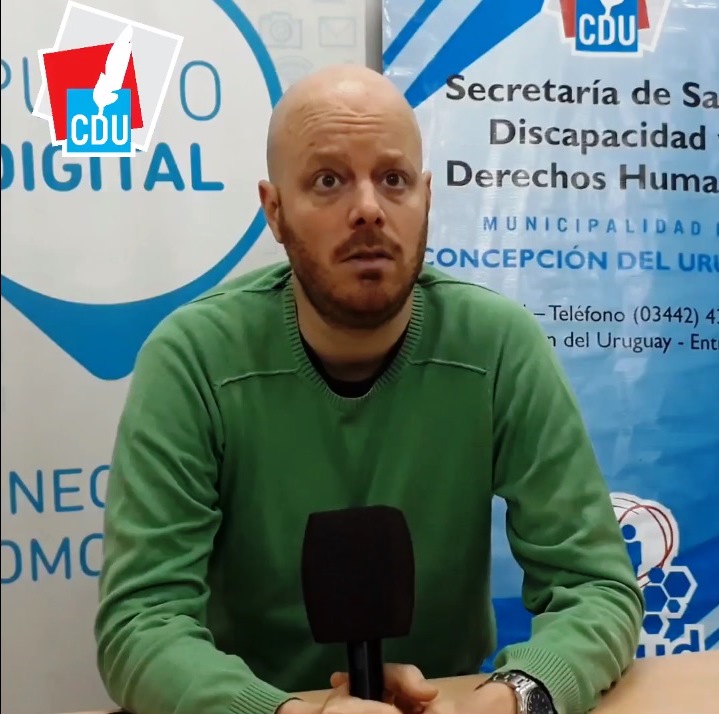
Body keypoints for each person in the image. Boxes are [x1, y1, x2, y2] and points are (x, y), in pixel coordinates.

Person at [94, 64, 644, 714]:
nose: (367, 209)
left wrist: (513, 699)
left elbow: (596, 587)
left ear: (426, 198)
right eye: (328, 180)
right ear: (274, 210)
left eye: (393, 180)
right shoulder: (194, 360)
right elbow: (141, 622)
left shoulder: (496, 346)